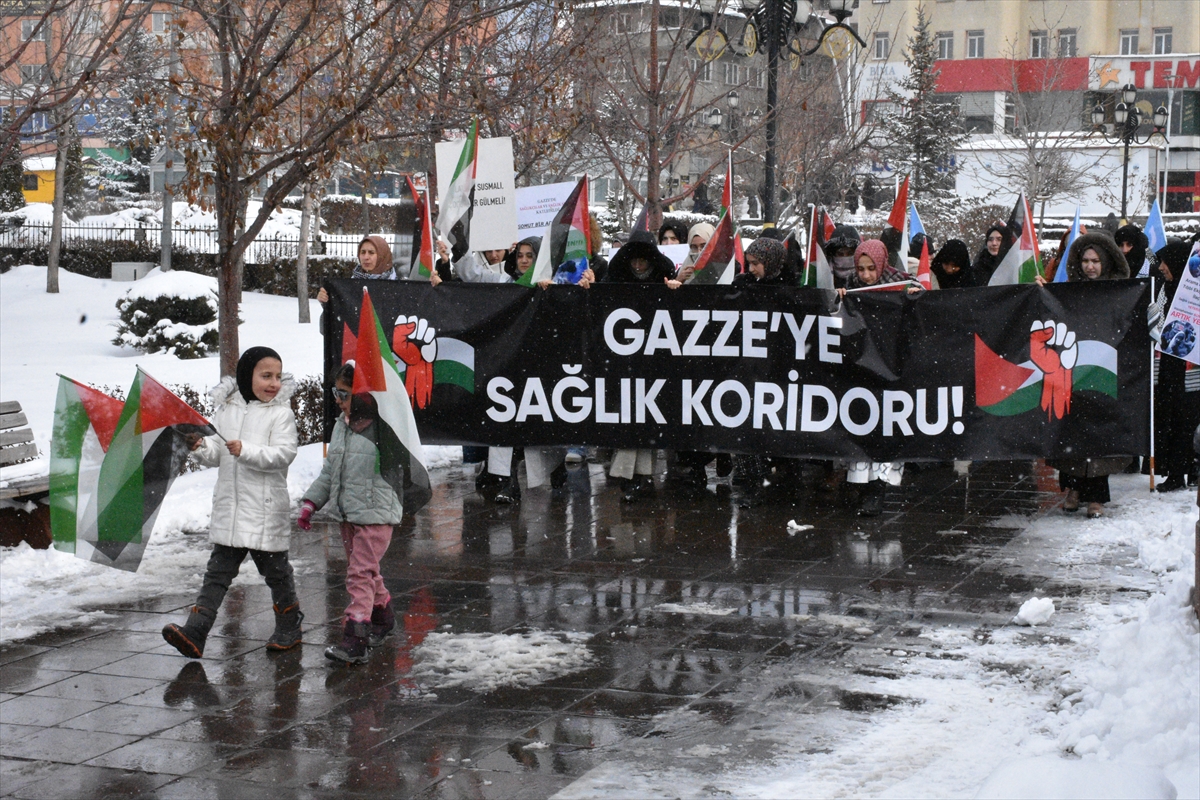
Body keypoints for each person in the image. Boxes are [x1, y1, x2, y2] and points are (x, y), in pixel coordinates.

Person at [162, 347, 301, 658]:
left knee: (277, 574)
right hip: (231, 508)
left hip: (264, 509)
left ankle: (289, 624)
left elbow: (283, 454)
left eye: (277, 376)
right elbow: (217, 452)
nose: (274, 383)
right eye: (266, 376)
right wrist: (201, 447)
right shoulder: (227, 409)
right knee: (217, 574)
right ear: (245, 376)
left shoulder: (281, 414)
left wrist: (246, 450)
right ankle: (196, 631)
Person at [298, 362, 404, 665]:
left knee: (359, 573)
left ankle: (356, 637)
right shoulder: (341, 424)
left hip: (376, 514)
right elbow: (331, 470)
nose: (337, 398)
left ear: (362, 395)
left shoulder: (385, 427)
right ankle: (383, 615)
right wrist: (312, 502)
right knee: (367, 571)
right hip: (348, 513)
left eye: (343, 393)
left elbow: (400, 465)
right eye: (335, 392)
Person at [1037, 232, 1131, 518]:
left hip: (1104, 373)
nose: (1090, 266)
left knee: (1100, 436)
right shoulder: (1070, 290)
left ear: (1106, 262)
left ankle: (1097, 497)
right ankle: (1073, 489)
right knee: (1073, 433)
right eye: (1086, 261)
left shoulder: (1121, 292)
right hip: (1074, 370)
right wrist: (1043, 291)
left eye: (1096, 261)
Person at [839, 240, 917, 515]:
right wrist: (839, 300)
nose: (867, 276)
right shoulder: (850, 285)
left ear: (882, 264)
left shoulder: (902, 284)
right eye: (861, 269)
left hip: (893, 369)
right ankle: (860, 484)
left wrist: (916, 297)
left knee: (886, 428)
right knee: (862, 424)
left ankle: (877, 489)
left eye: (872, 268)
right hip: (862, 368)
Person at [604, 232, 681, 501]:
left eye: (643, 262)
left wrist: (675, 290)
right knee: (633, 416)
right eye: (633, 261)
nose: (638, 267)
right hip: (623, 360)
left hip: (653, 361)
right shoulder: (614, 277)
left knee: (643, 416)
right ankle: (638, 477)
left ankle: (636, 477)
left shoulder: (664, 276)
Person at [1152, 239, 1198, 492]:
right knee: (1170, 419)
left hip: (1190, 370)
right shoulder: (1164, 291)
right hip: (1168, 366)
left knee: (1187, 422)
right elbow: (1154, 322)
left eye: (1165, 262)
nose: (1161, 267)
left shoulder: (1194, 295)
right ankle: (1175, 471)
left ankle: (1188, 469)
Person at [824, 225, 862, 289]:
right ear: (833, 255)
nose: (845, 258)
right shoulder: (823, 276)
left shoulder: (865, 276)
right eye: (840, 254)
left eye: (850, 253)